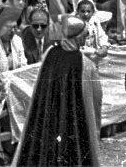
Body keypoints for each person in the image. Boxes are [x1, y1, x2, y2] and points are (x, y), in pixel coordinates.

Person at [10, 17, 103, 167]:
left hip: (49, 114)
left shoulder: (50, 53)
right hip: (73, 117)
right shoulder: (83, 63)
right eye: (84, 35)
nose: (85, 39)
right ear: (77, 36)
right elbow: (94, 97)